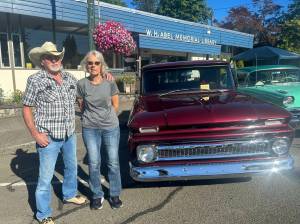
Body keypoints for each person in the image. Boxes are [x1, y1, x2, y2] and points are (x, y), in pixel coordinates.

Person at [22, 41, 87, 224]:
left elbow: (80, 99)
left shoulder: (70, 78)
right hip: (48, 137)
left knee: (71, 167)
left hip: (69, 134)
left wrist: (103, 79)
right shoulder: (35, 80)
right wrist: (35, 134)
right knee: (45, 177)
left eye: (57, 56)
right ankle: (43, 214)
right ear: (42, 61)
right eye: (50, 57)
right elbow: (27, 108)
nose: (54, 59)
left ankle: (69, 194)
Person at [77, 50, 123, 210]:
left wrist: (109, 117)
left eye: (97, 63)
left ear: (101, 65)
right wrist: (88, 118)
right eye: (90, 63)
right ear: (86, 65)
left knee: (113, 162)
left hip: (110, 127)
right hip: (90, 128)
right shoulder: (81, 84)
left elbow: (116, 105)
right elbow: (81, 105)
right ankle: (97, 195)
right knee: (94, 162)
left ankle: (115, 194)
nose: (93, 66)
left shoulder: (109, 82)